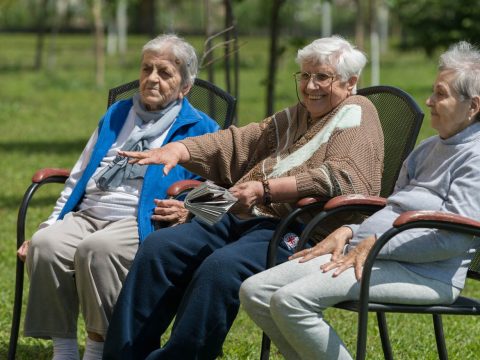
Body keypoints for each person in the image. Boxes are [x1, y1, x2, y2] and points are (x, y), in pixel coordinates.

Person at [102, 35, 384, 360]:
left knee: (220, 269)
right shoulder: (296, 115)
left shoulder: (357, 111)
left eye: (322, 77)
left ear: (351, 83)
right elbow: (240, 143)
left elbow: (343, 176)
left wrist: (265, 190)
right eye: (305, 76)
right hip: (241, 216)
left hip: (300, 229)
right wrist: (179, 150)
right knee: (159, 249)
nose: (310, 86)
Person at [239, 40, 480, 360]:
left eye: (440, 94)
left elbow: (454, 238)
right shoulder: (428, 148)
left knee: (291, 301)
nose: (429, 100)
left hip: (427, 273)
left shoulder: (475, 158)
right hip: (371, 253)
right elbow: (392, 206)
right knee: (255, 291)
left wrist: (378, 244)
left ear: (473, 107)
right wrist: (350, 232)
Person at [17, 34, 219, 360]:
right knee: (46, 245)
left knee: (98, 250)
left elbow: (224, 190)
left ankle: (98, 350)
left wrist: (189, 210)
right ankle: (65, 350)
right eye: (146, 69)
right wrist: (49, 224)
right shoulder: (117, 114)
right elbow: (80, 175)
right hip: (90, 211)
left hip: (140, 219)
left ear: (185, 86)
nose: (152, 78)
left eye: (165, 72)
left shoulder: (202, 127)